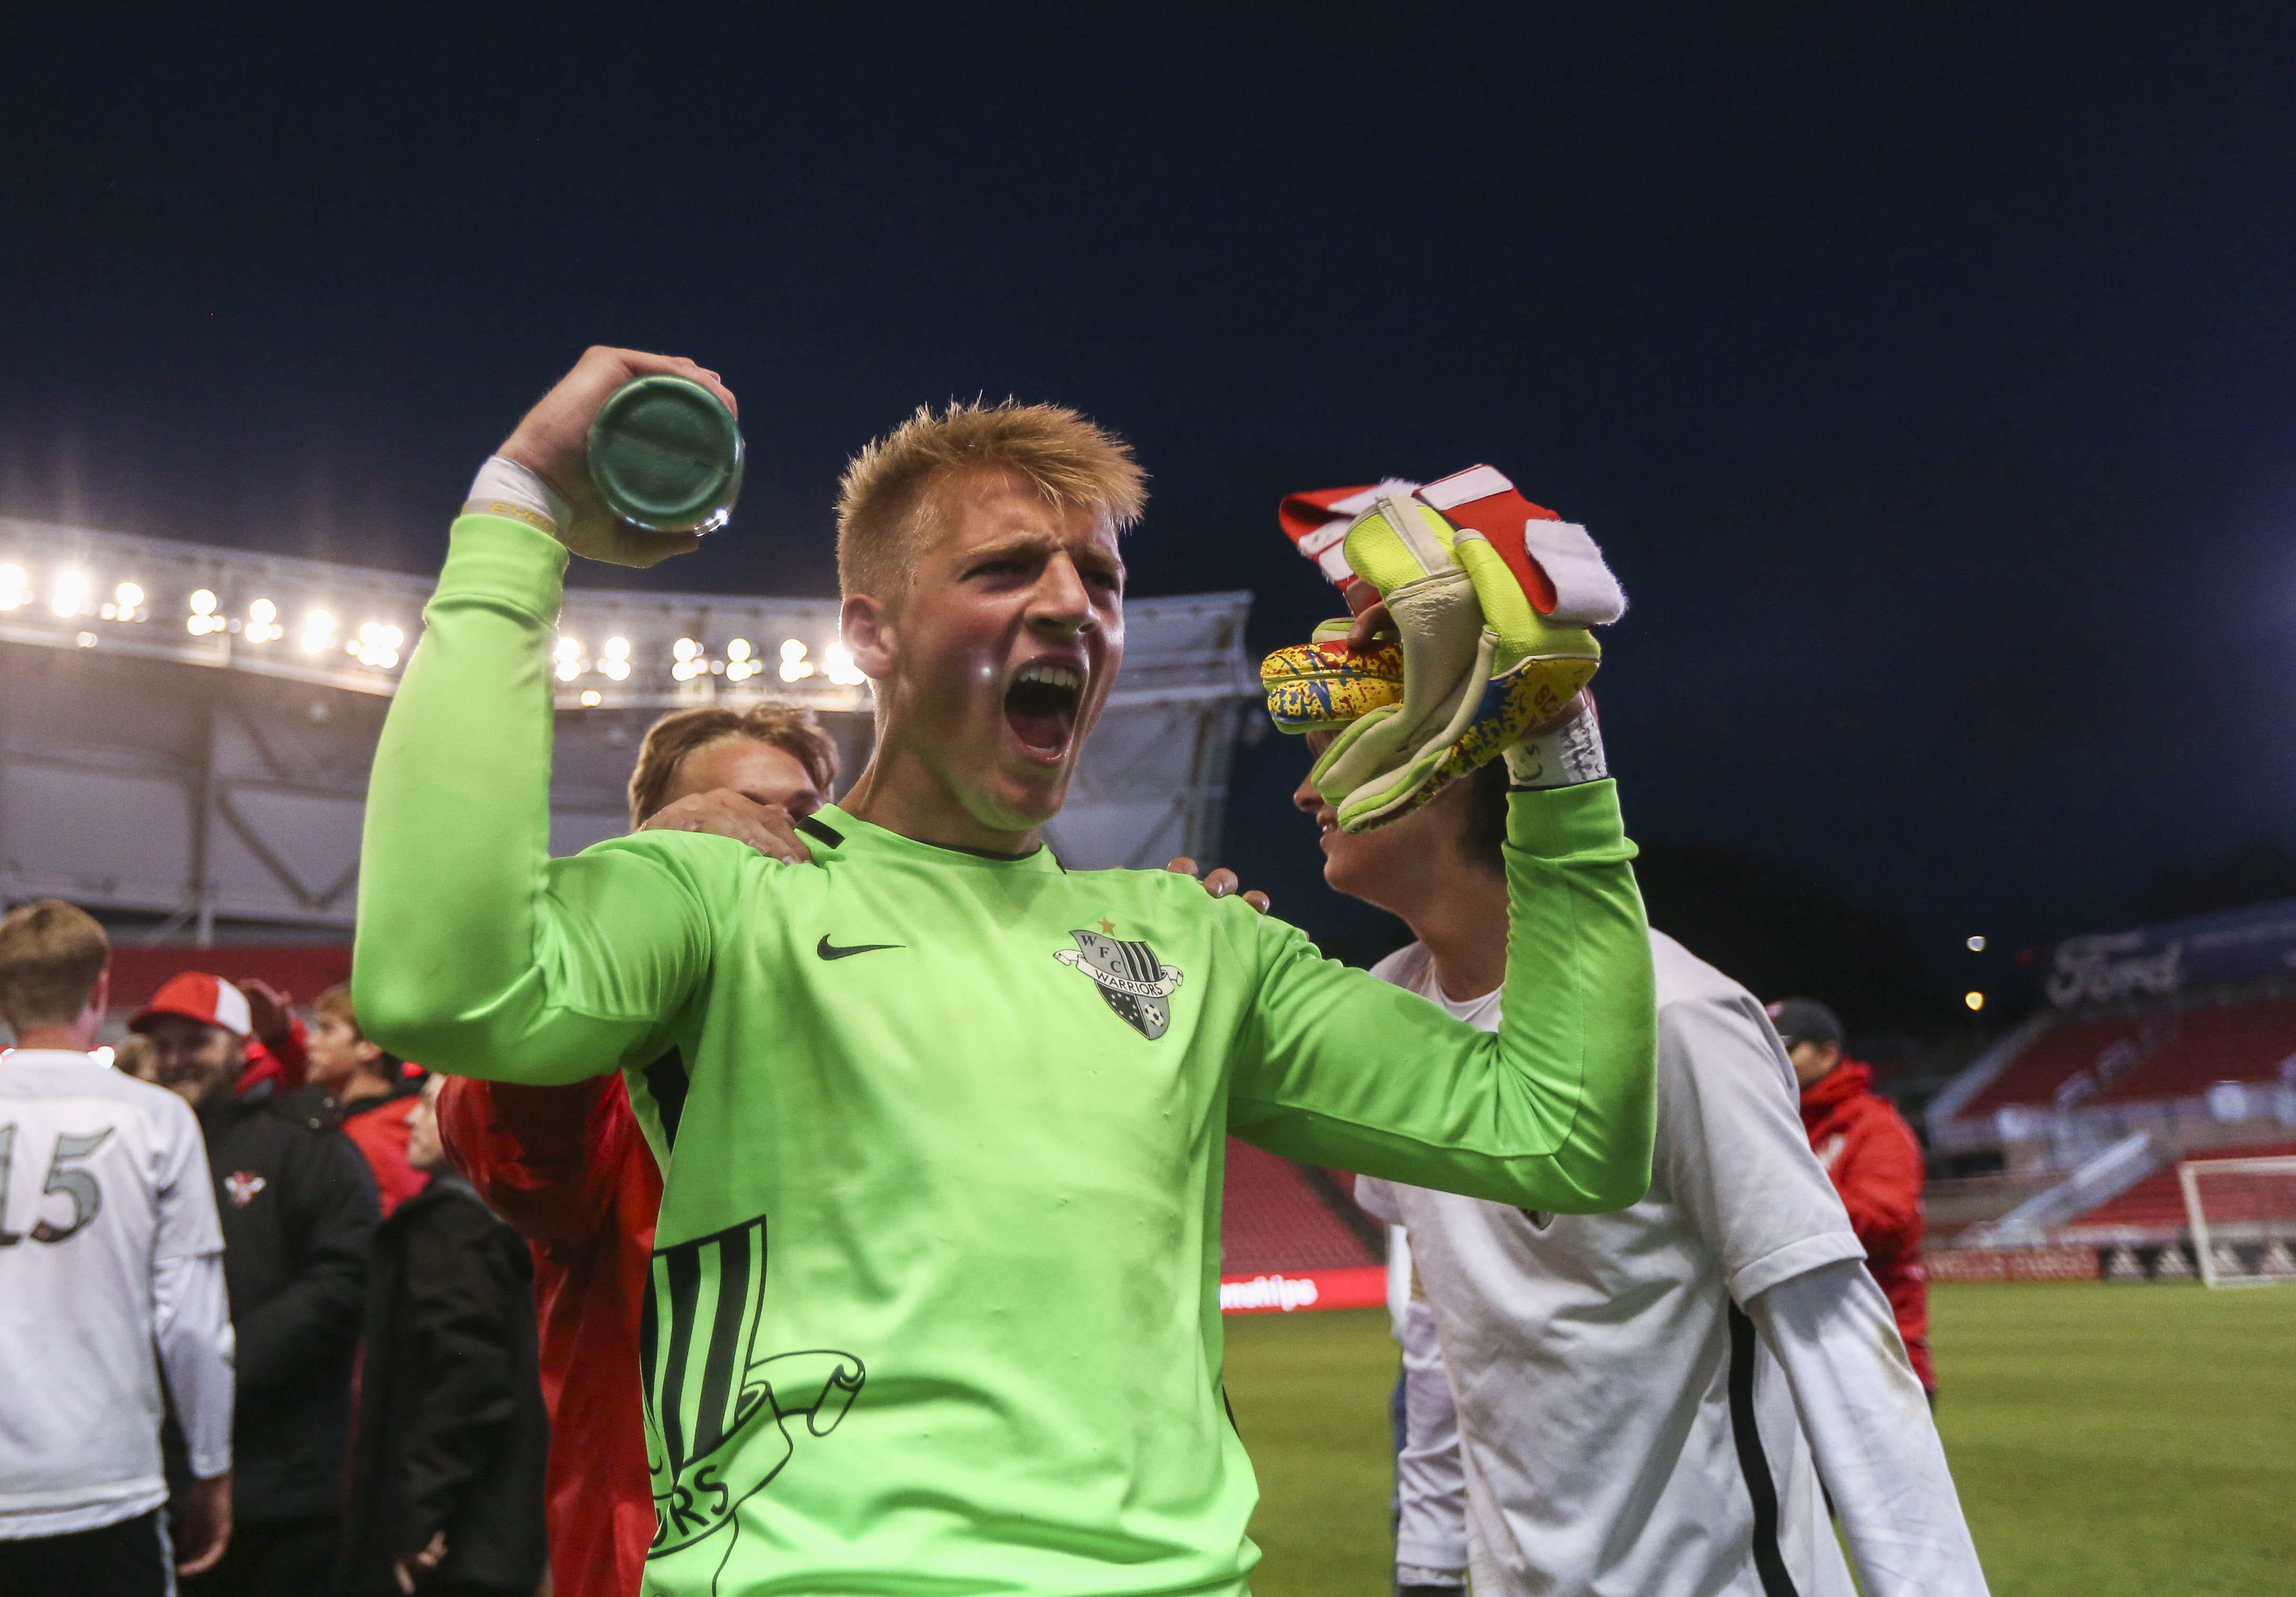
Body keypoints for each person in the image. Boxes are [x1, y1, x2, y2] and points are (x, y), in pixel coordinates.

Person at [353, 346, 1658, 1596]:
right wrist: (520, 505)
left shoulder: (1194, 938)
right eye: (1003, 567)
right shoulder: (724, 885)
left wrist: (1553, 736)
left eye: (1099, 577)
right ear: (872, 629)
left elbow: (1565, 1134)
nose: (1065, 602)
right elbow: (439, 987)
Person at [1314, 757, 1988, 1596]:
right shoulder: (1388, 1018)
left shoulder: (1676, 1014)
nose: (1309, 791)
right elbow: (1435, 1330)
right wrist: (1427, 1558)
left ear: (1449, 770)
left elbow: (1833, 1330)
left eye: (1345, 754)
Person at [436, 698, 843, 1597]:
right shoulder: (610, 1078)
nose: (777, 835)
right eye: (738, 811)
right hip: (663, 1554)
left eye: (808, 813)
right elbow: (515, 1154)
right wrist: (628, 885)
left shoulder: (871, 1044)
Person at [0, 901, 236, 1595]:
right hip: (103, 1479)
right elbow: (191, 1323)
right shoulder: (157, 1119)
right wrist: (213, 1464)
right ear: (100, 989)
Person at [136, 969, 381, 1596]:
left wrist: (217, 1367)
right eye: (164, 1045)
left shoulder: (302, 1146)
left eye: (194, 1041)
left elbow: (345, 1283)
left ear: (238, 1045)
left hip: (283, 1483)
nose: (175, 1059)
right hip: (158, 1475)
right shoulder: (143, 1151)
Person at [339, 1075, 548, 1597]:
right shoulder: (503, 1218)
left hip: (460, 1541)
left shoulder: (450, 1225)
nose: (409, 1119)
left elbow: (469, 1374)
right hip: (497, 1527)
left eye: (430, 1105)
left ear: (474, 1117)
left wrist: (421, 1514)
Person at [1771, 997, 1937, 1395]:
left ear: (1828, 1053)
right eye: (1765, 1049)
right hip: (1795, 1358)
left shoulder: (1874, 1125)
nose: (1773, 1060)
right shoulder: (1775, 1124)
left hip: (1875, 1355)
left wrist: (1778, 1209)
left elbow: (1888, 1222)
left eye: (1786, 1048)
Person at [307, 980, 427, 1217]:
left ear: (369, 1047)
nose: (310, 1041)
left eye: (327, 1028)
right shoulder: (385, 1120)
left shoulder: (373, 1135)